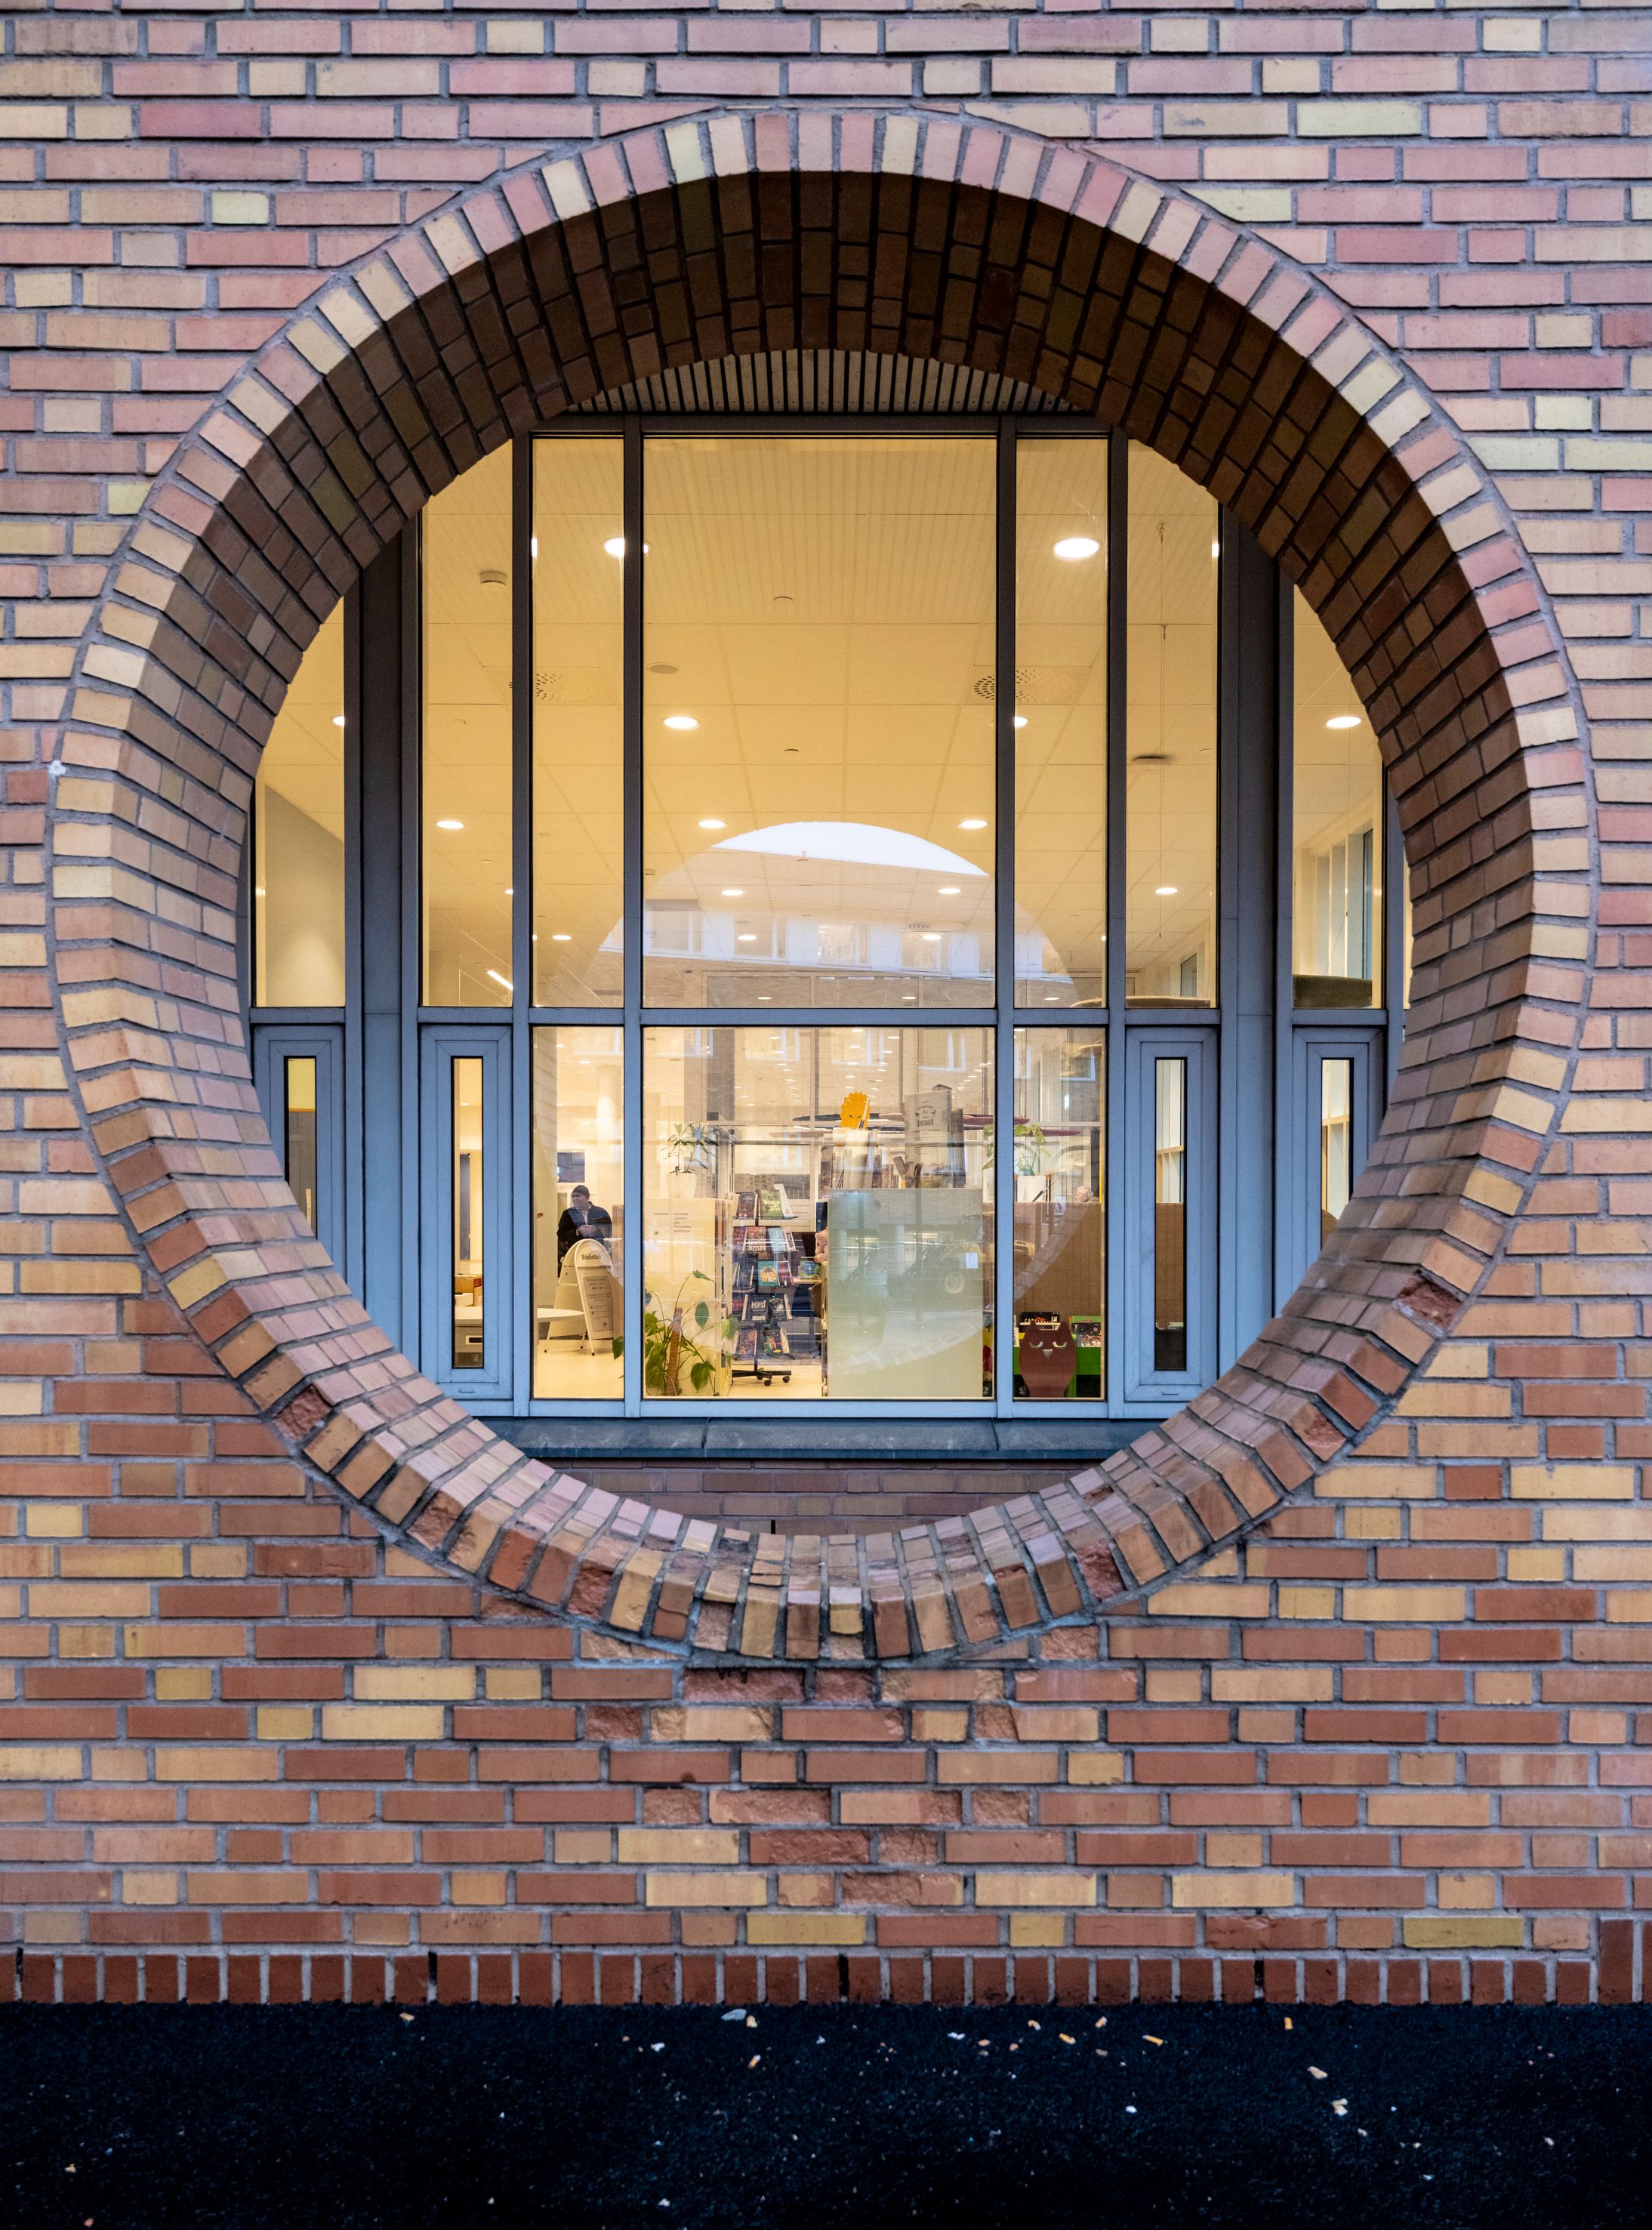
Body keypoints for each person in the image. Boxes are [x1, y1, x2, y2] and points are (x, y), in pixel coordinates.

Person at [556, 1184, 613, 1270]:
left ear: (587, 1197)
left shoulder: (601, 1212)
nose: (575, 1199)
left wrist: (595, 1230)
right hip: (577, 1254)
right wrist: (578, 1232)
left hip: (597, 1254)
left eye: (578, 1196)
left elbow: (609, 1233)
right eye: (573, 1196)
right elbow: (561, 1235)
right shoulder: (568, 1214)